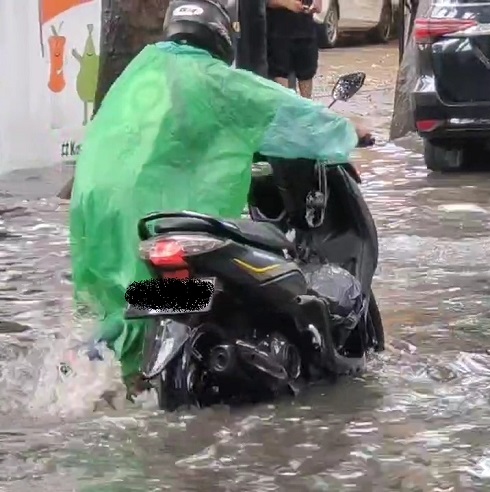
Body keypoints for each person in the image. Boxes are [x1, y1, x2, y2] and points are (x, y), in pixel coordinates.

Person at [68, 0, 370, 396]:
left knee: (125, 300)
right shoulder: (213, 78)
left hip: (94, 206)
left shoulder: (141, 69)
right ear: (222, 34)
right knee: (153, 292)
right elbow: (282, 111)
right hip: (148, 204)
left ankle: (96, 377)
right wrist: (349, 130)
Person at [267, 0, 320, 97]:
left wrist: (317, 3)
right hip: (279, 31)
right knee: (280, 71)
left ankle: (307, 108)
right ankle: (287, 106)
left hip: (306, 29)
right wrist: (287, 3)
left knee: (307, 73)